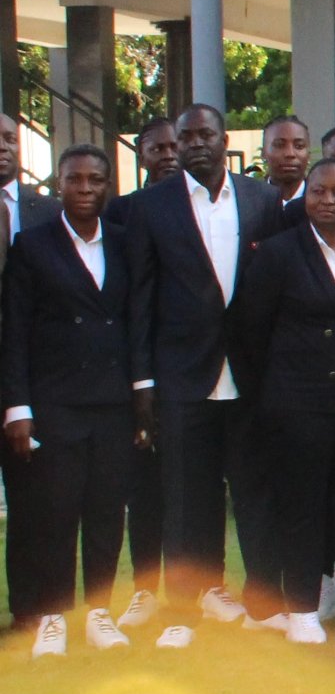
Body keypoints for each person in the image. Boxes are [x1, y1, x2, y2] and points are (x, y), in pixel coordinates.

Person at [125, 103, 287, 646]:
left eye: (205, 134)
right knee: (185, 497)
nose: (195, 143)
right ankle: (183, 612)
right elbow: (140, 299)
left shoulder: (262, 199)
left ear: (224, 140)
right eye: (185, 136)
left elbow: (274, 288)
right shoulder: (151, 206)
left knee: (255, 490)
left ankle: (264, 603)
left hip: (249, 372)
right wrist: (143, 382)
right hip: (181, 375)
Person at [233, 158, 335, 644]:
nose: (326, 200)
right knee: (302, 504)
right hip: (298, 401)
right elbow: (250, 330)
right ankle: (302, 607)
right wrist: (273, 392)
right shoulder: (278, 253)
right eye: (317, 191)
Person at [2, 145, 142, 657]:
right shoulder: (32, 246)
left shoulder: (125, 243)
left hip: (112, 401)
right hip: (56, 401)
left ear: (108, 185)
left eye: (95, 179)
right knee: (55, 512)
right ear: (57, 185)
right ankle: (52, 616)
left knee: (106, 510)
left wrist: (140, 394)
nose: (85, 189)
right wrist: (17, 407)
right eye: (75, 179)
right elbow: (14, 332)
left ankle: (99, 613)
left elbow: (135, 322)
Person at [104, 116, 177, 633]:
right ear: (142, 155)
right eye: (158, 148)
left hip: (196, 367)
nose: (169, 154)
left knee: (192, 489)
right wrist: (138, 377)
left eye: (175, 146)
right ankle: (145, 590)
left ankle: (198, 588)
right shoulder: (122, 212)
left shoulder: (210, 205)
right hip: (143, 367)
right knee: (145, 486)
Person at [1, 110, 61, 630]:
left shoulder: (49, 212)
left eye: (8, 137)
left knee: (32, 502)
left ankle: (29, 614)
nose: (2, 146)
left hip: (34, 380)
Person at [259, 116, 312, 204]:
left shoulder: (321, 203)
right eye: (279, 145)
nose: (290, 154)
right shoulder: (248, 201)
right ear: (263, 153)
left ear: (308, 155)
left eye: (299, 146)